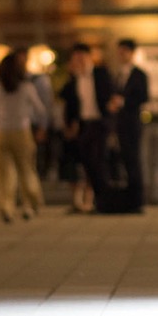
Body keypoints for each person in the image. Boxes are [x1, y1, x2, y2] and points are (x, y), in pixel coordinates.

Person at [0, 49, 47, 223]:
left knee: (4, 173)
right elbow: (40, 109)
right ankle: (30, 205)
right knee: (26, 170)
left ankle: (7, 207)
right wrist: (39, 125)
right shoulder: (26, 87)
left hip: (1, 132)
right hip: (22, 131)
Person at [59, 43, 115, 214]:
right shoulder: (74, 79)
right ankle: (91, 201)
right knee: (86, 162)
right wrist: (70, 124)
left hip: (99, 123)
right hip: (84, 125)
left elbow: (111, 95)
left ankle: (101, 201)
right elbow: (70, 104)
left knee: (98, 161)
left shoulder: (100, 74)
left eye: (81, 57)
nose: (79, 61)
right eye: (76, 58)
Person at [108, 38, 150, 212]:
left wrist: (123, 102)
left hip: (132, 123)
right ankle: (128, 200)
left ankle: (137, 201)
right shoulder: (118, 74)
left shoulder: (139, 74)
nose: (121, 54)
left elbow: (144, 97)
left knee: (133, 161)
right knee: (124, 161)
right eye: (119, 51)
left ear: (132, 53)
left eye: (124, 51)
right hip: (120, 123)